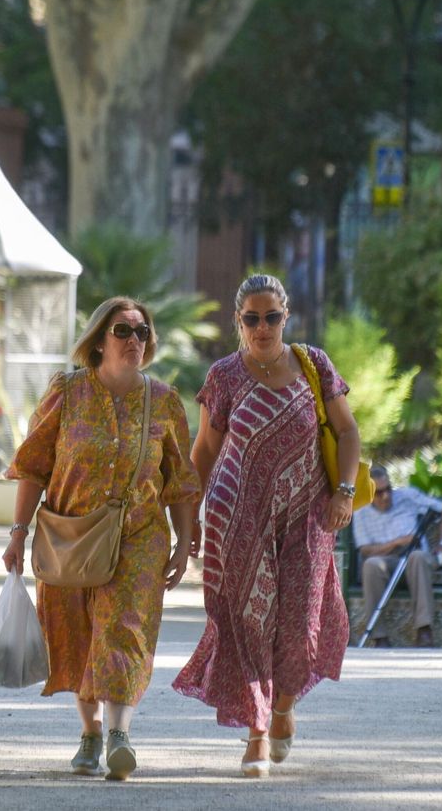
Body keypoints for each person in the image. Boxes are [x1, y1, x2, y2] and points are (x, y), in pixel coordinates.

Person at [2, 296, 200, 782]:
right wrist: (18, 533)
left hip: (140, 536)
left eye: (142, 331)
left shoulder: (164, 401)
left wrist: (184, 541)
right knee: (78, 632)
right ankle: (90, 731)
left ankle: (118, 734)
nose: (134, 339)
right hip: (70, 534)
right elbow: (34, 466)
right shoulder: (67, 392)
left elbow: (180, 480)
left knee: (124, 630)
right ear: (98, 342)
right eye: (122, 330)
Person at [173, 273, 363, 778]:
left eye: (271, 317)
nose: (262, 327)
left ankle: (282, 706)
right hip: (238, 519)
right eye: (252, 318)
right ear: (238, 321)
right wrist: (189, 521)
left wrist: (345, 492)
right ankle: (257, 732)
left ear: (286, 317)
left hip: (309, 518)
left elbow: (347, 431)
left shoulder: (313, 365)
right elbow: (204, 453)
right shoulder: (224, 375)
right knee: (249, 622)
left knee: (300, 627)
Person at [351, 465, 442, 648]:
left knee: (417, 557)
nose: (386, 496)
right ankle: (379, 637)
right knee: (371, 565)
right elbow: (365, 550)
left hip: (415, 558)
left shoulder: (408, 496)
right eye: (379, 493)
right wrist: (397, 542)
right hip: (386, 560)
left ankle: (424, 631)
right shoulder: (360, 511)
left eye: (388, 489)